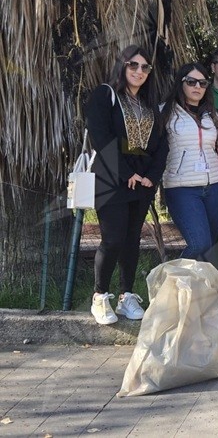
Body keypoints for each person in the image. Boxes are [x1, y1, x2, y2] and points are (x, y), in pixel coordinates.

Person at [86, 44, 168, 325]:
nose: (139, 71)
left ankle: (127, 296)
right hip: (111, 178)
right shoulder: (105, 95)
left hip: (142, 182)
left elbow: (161, 144)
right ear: (122, 66)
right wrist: (125, 173)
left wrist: (151, 177)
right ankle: (100, 296)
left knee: (132, 239)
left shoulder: (150, 105)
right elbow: (101, 136)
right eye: (133, 65)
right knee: (113, 238)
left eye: (145, 67)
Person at [161, 62, 218, 267]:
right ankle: (170, 285)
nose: (197, 87)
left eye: (203, 83)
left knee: (209, 248)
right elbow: (155, 150)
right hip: (182, 188)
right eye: (191, 82)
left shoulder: (211, 115)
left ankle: (198, 295)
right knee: (199, 244)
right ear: (181, 83)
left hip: (216, 187)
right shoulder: (165, 113)